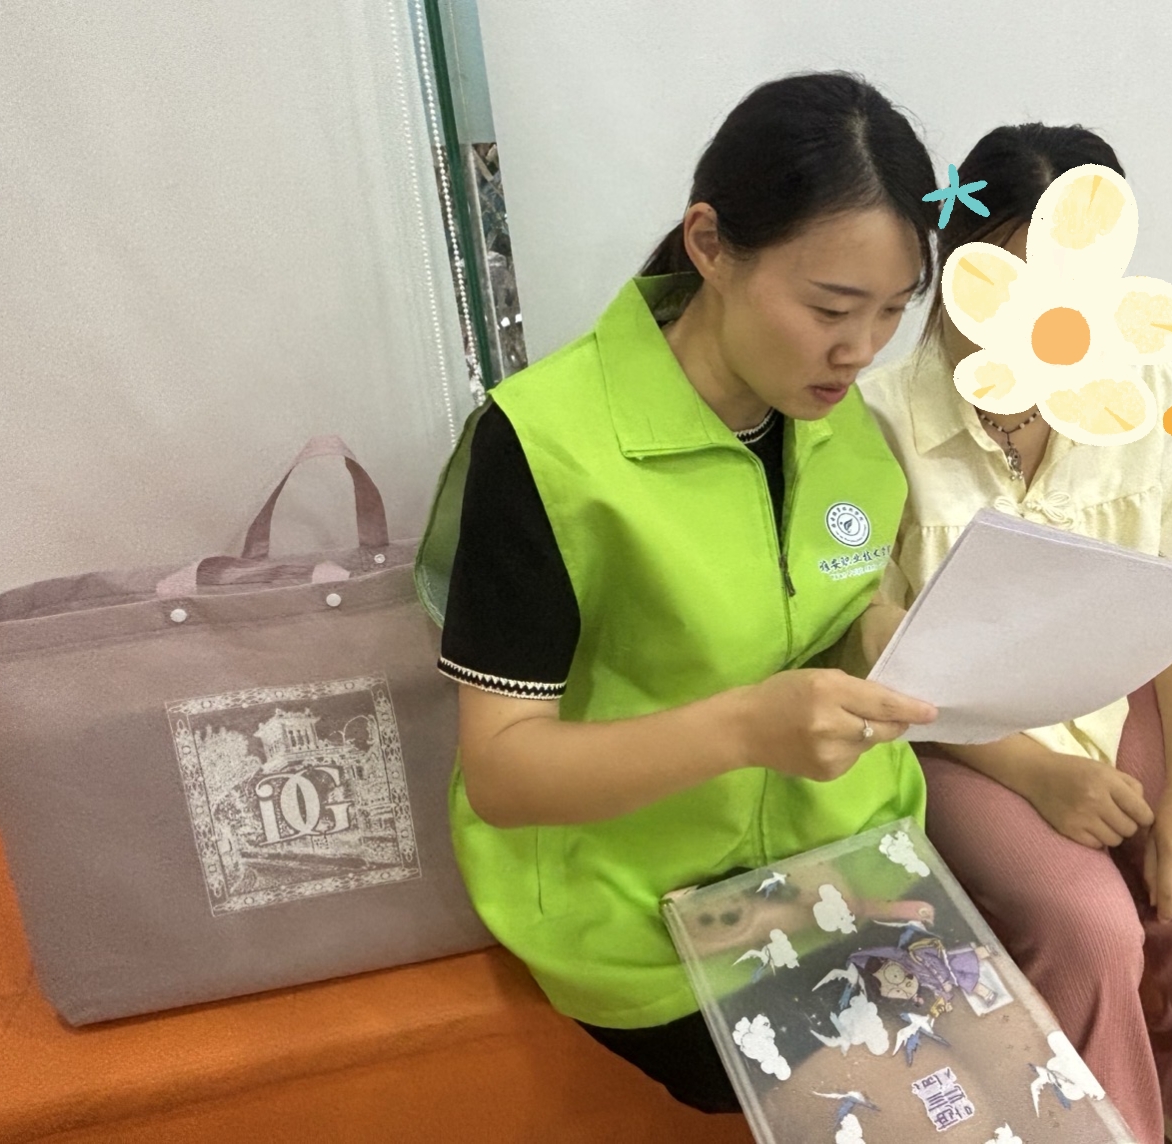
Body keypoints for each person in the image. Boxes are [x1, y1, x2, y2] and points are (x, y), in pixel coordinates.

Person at [423, 72, 943, 1114]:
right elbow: (505, 774)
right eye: (830, 307)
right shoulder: (544, 448)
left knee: (999, 1057)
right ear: (709, 244)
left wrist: (882, 634)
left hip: (840, 849)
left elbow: (823, 612)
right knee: (893, 1098)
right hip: (637, 898)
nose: (859, 350)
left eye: (892, 312)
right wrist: (747, 728)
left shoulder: (846, 428)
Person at [857, 123, 1172, 1144]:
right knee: (1084, 924)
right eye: (1006, 282)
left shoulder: (1152, 397)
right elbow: (870, 638)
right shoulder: (877, 416)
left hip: (1111, 689)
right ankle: (1108, 1127)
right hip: (951, 727)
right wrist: (1036, 771)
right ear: (958, 269)